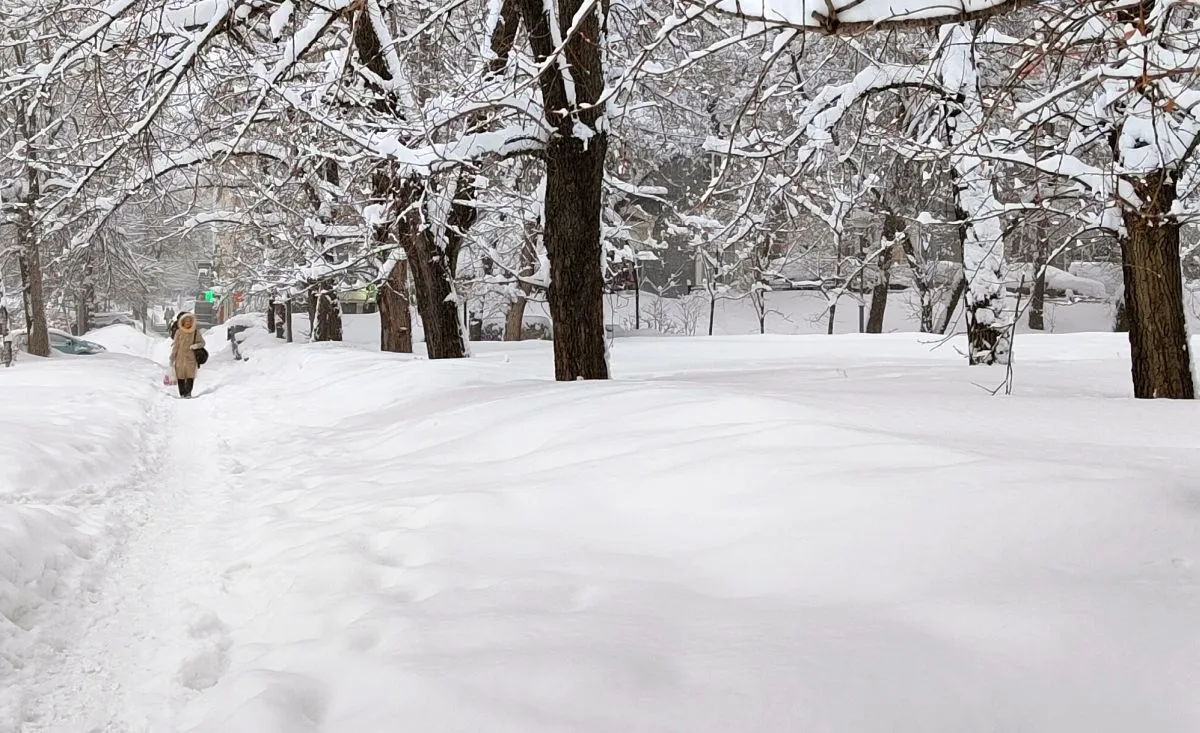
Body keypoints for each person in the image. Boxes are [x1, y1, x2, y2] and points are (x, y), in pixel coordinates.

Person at [170, 312, 206, 398]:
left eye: (190, 321)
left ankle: (188, 393)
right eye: (186, 321)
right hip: (180, 357)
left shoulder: (195, 332)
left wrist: (196, 346)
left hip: (191, 357)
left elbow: (202, 343)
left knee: (190, 375)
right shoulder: (178, 332)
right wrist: (172, 356)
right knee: (180, 376)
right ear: (182, 322)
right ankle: (182, 393)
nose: (188, 323)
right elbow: (176, 345)